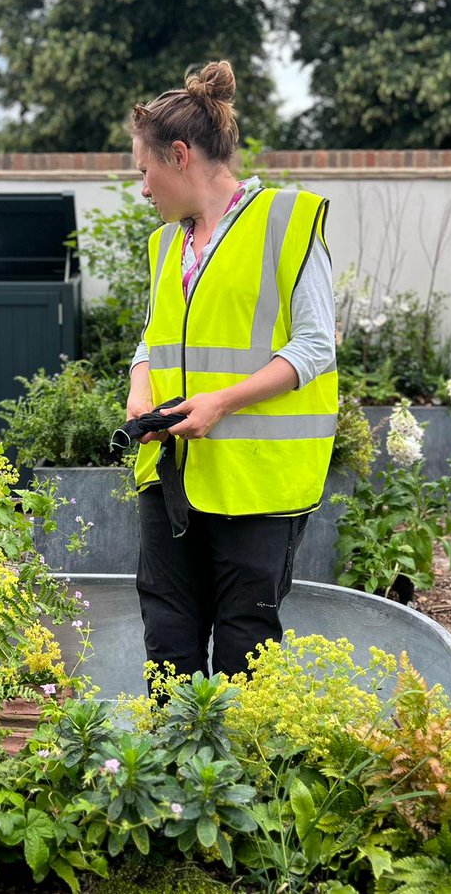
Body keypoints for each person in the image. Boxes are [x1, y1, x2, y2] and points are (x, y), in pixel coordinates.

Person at [126, 60, 338, 682]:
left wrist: (222, 403)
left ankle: (238, 776)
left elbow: (314, 346)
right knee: (167, 633)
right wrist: (142, 389)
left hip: (257, 482)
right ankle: (170, 768)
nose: (143, 189)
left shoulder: (286, 223)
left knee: (246, 647)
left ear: (180, 155)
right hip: (171, 474)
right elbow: (152, 339)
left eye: (144, 171)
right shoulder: (166, 246)